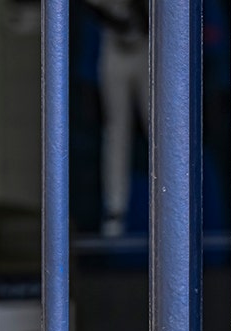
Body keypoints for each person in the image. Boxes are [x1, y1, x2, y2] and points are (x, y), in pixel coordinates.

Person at [89, 0, 149, 238]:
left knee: (162, 130)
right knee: (116, 132)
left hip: (148, 47)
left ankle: (174, 199)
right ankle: (115, 211)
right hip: (115, 47)